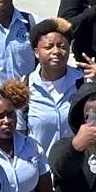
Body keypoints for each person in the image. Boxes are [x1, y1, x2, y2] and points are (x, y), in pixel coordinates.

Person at [24, 18, 86, 167]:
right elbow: (19, 137)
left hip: (78, 170)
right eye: (48, 47)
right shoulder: (24, 88)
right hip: (40, 171)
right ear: (36, 52)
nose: (56, 51)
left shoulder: (82, 82)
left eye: (62, 46)